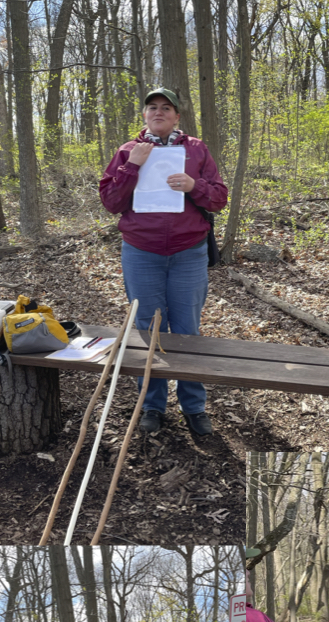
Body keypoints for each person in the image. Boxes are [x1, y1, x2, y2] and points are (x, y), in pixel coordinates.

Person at [98, 87, 228, 436]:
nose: (158, 112)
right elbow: (111, 202)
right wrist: (133, 166)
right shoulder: (127, 151)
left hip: (189, 252)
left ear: (176, 116)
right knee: (147, 330)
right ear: (144, 115)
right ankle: (152, 405)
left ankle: (194, 406)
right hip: (142, 253)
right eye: (152, 107)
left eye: (166, 108)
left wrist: (193, 185)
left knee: (187, 330)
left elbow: (219, 198)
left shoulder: (196, 149)